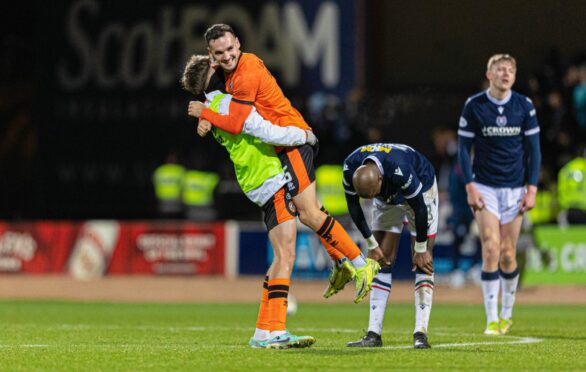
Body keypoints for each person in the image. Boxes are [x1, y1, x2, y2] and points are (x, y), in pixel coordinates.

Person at [188, 24, 381, 303]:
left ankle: (362, 264)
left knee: (309, 213)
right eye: (221, 52)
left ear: (238, 44)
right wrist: (206, 116)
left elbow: (240, 123)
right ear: (212, 54)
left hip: (291, 141)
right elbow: (222, 105)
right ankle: (340, 262)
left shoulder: (246, 71)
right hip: (283, 145)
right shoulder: (227, 78)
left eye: (231, 49)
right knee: (310, 212)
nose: (228, 56)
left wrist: (207, 114)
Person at [182, 54, 317, 349]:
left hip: (253, 182)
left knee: (279, 257)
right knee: (287, 256)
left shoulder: (212, 108)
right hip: (270, 178)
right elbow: (267, 131)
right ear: (211, 75)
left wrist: (203, 116)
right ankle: (277, 330)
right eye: (216, 66)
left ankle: (262, 331)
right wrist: (303, 136)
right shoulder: (228, 104)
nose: (225, 66)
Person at [457, 54, 542, 335]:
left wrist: (532, 188)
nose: (505, 74)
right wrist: (470, 186)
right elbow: (463, 151)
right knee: (491, 247)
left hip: (516, 189)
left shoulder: (524, 106)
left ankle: (507, 313)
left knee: (508, 253)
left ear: (514, 77)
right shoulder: (475, 106)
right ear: (489, 73)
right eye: (499, 69)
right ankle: (491, 318)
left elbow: (535, 152)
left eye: (510, 70)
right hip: (485, 188)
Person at [342, 143, 437, 349]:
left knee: (423, 261)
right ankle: (373, 334)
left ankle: (420, 333)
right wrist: (371, 242)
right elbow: (353, 207)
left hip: (422, 188)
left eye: (374, 193)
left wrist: (420, 249)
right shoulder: (350, 167)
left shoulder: (399, 168)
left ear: (380, 179)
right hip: (389, 198)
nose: (373, 198)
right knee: (379, 259)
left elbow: (420, 209)